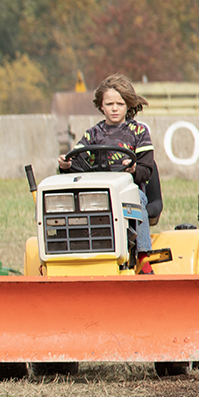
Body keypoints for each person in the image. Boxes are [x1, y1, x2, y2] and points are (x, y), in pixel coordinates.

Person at [59, 73, 157, 267]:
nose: (114, 108)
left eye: (119, 104)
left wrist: (133, 169)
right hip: (97, 193)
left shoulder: (139, 132)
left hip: (129, 191)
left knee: (137, 200)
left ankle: (143, 257)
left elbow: (146, 170)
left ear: (128, 105)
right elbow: (78, 160)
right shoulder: (93, 134)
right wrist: (67, 165)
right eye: (109, 104)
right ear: (101, 106)